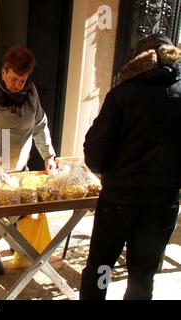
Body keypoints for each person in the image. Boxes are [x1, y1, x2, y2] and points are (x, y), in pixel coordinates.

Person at [81, 33, 181, 300]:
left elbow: (95, 152)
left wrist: (103, 169)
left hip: (119, 200)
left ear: (139, 59)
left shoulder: (123, 95)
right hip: (162, 203)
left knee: (101, 266)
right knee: (143, 273)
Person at [0, 45, 57, 275]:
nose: (18, 85)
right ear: (4, 72)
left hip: (17, 166)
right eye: (14, 79)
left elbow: (39, 124)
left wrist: (48, 154)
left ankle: (15, 244)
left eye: (23, 80)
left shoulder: (31, 92)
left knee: (18, 210)